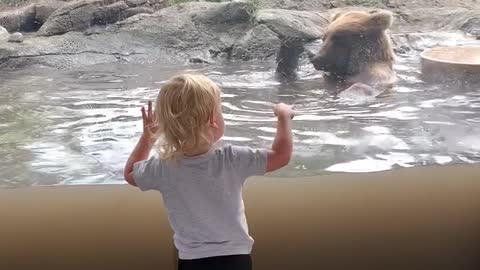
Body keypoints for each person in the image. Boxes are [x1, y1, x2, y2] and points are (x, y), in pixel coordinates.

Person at [124, 73, 294, 270]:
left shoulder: (164, 167)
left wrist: (147, 138)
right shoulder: (232, 158)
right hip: (235, 258)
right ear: (213, 119)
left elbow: (129, 174)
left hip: (191, 261)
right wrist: (283, 117)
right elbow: (281, 156)